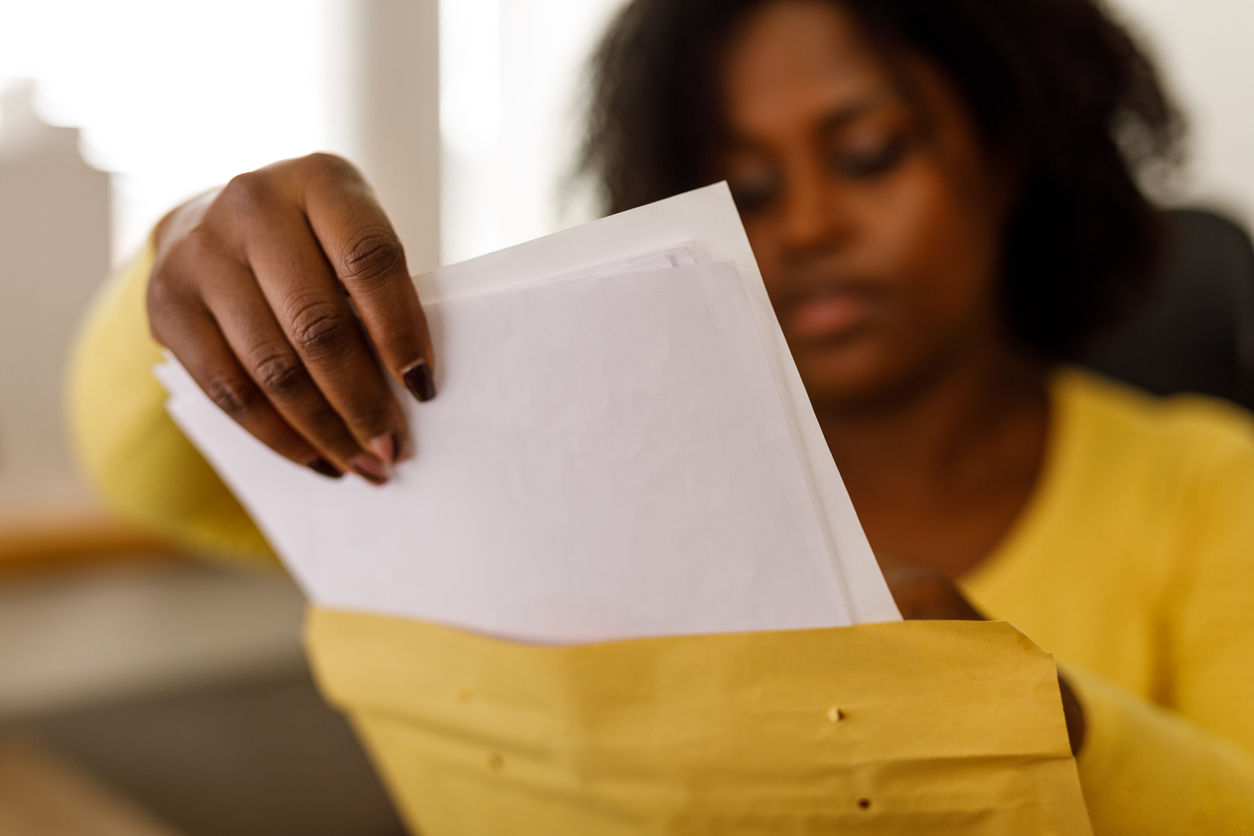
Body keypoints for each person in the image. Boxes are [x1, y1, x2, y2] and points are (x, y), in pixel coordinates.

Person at [69, 0, 1254, 832]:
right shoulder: (575, 464)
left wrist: (1037, 725)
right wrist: (188, 249)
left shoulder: (1208, 494)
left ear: (1011, 156)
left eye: (871, 153)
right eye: (750, 190)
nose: (808, 227)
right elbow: (147, 475)